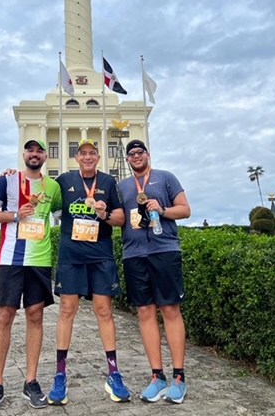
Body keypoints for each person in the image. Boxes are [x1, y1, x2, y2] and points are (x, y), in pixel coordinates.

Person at [0, 140, 62, 413]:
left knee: (35, 316)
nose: (35, 154)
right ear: (24, 154)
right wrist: (15, 215)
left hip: (39, 260)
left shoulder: (53, 187)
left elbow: (63, 214)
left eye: (40, 151)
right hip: (10, 259)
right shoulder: (7, 181)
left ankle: (31, 381)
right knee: (5, 316)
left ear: (45, 157)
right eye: (31, 150)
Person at [48, 139, 131, 405]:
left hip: (100, 256)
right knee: (66, 311)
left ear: (97, 157)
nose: (87, 157)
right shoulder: (63, 180)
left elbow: (120, 219)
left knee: (104, 311)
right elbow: (40, 188)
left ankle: (114, 373)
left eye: (91, 153)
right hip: (72, 257)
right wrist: (12, 175)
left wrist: (105, 213)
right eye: (82, 153)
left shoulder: (107, 182)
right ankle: (60, 375)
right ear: (76, 157)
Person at [118, 139, 191, 404]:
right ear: (127, 160)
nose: (136, 156)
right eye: (132, 154)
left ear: (148, 155)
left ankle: (179, 377)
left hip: (164, 250)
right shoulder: (122, 186)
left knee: (170, 310)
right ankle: (157, 376)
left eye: (140, 152)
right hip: (134, 254)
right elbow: (119, 219)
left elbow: (185, 209)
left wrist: (163, 209)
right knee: (145, 312)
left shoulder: (165, 178)